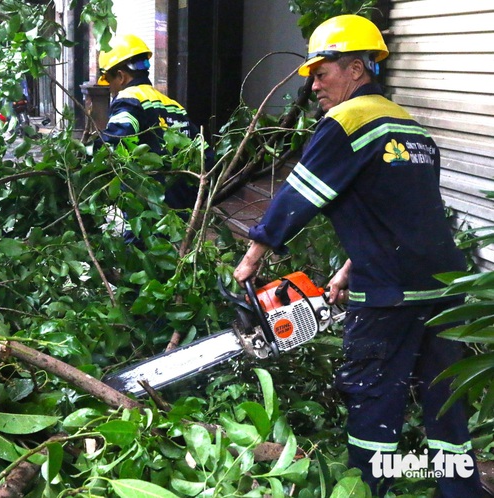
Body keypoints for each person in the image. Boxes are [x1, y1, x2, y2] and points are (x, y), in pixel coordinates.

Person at [232, 15, 483, 498]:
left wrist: (252, 258)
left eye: (321, 73)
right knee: (445, 400)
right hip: (443, 287)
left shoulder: (347, 121)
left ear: (355, 69)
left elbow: (300, 193)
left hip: (389, 296)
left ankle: (368, 489)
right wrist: (350, 265)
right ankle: (462, 492)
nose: (315, 86)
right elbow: (408, 214)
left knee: (373, 399)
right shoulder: (411, 129)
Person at [95, 34, 204, 211]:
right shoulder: (173, 105)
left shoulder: (128, 99)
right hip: (180, 212)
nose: (109, 88)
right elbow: (205, 155)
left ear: (121, 76)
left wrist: (84, 158)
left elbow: (114, 140)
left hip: (147, 210)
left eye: (108, 79)